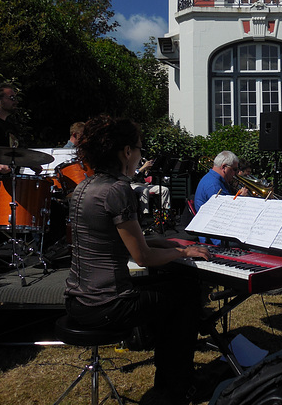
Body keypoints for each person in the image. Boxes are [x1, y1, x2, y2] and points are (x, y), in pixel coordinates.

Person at [64, 115, 211, 404]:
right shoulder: (117, 190)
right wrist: (182, 252)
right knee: (186, 290)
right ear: (127, 152)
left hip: (76, 299)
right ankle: (176, 386)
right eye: (139, 148)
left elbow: (117, 238)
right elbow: (142, 257)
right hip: (108, 304)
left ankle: (169, 373)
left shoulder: (85, 187)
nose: (140, 155)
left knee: (169, 285)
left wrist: (165, 242)